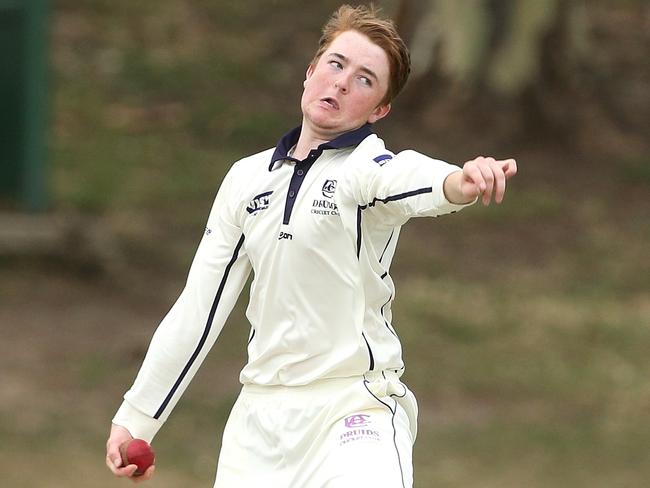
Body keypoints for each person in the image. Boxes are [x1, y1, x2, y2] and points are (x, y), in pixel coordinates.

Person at [105, 4, 517, 487]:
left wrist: (459, 181)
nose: (341, 83)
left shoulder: (366, 169)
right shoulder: (246, 180)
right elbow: (198, 310)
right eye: (336, 65)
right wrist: (137, 418)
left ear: (380, 109)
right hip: (257, 427)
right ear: (310, 72)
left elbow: (409, 176)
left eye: (365, 79)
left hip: (353, 412)